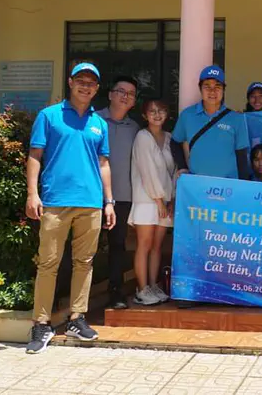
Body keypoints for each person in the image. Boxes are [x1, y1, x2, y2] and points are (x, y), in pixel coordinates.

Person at [25, 63, 115, 354]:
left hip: (90, 203)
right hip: (54, 202)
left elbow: (103, 163)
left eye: (91, 82)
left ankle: (77, 318)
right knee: (48, 264)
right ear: (70, 82)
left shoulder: (99, 123)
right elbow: (35, 155)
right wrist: (32, 194)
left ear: (97, 88)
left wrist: (109, 201)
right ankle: (40, 324)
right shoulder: (49, 116)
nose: (85, 86)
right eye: (80, 80)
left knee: (84, 263)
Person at [96, 75, 140, 310]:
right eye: (121, 91)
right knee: (86, 249)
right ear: (110, 94)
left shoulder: (134, 128)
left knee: (117, 247)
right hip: (92, 196)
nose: (125, 96)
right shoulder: (92, 121)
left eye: (131, 94)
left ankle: (116, 292)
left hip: (123, 197)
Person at [129, 99, 175, 306]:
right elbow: (146, 170)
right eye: (152, 111)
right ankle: (141, 289)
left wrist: (170, 199)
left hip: (165, 200)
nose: (157, 115)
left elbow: (173, 172)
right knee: (144, 244)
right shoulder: (142, 137)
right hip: (147, 200)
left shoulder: (169, 138)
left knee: (157, 246)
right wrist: (159, 201)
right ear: (145, 115)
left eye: (161, 110)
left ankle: (153, 284)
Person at [171, 65, 250, 180]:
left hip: (228, 187)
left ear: (223, 90)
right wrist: (182, 167)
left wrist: (244, 186)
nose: (212, 91)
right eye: (207, 86)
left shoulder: (236, 119)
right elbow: (175, 142)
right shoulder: (187, 115)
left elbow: (241, 155)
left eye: (217, 86)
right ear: (200, 89)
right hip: (197, 185)